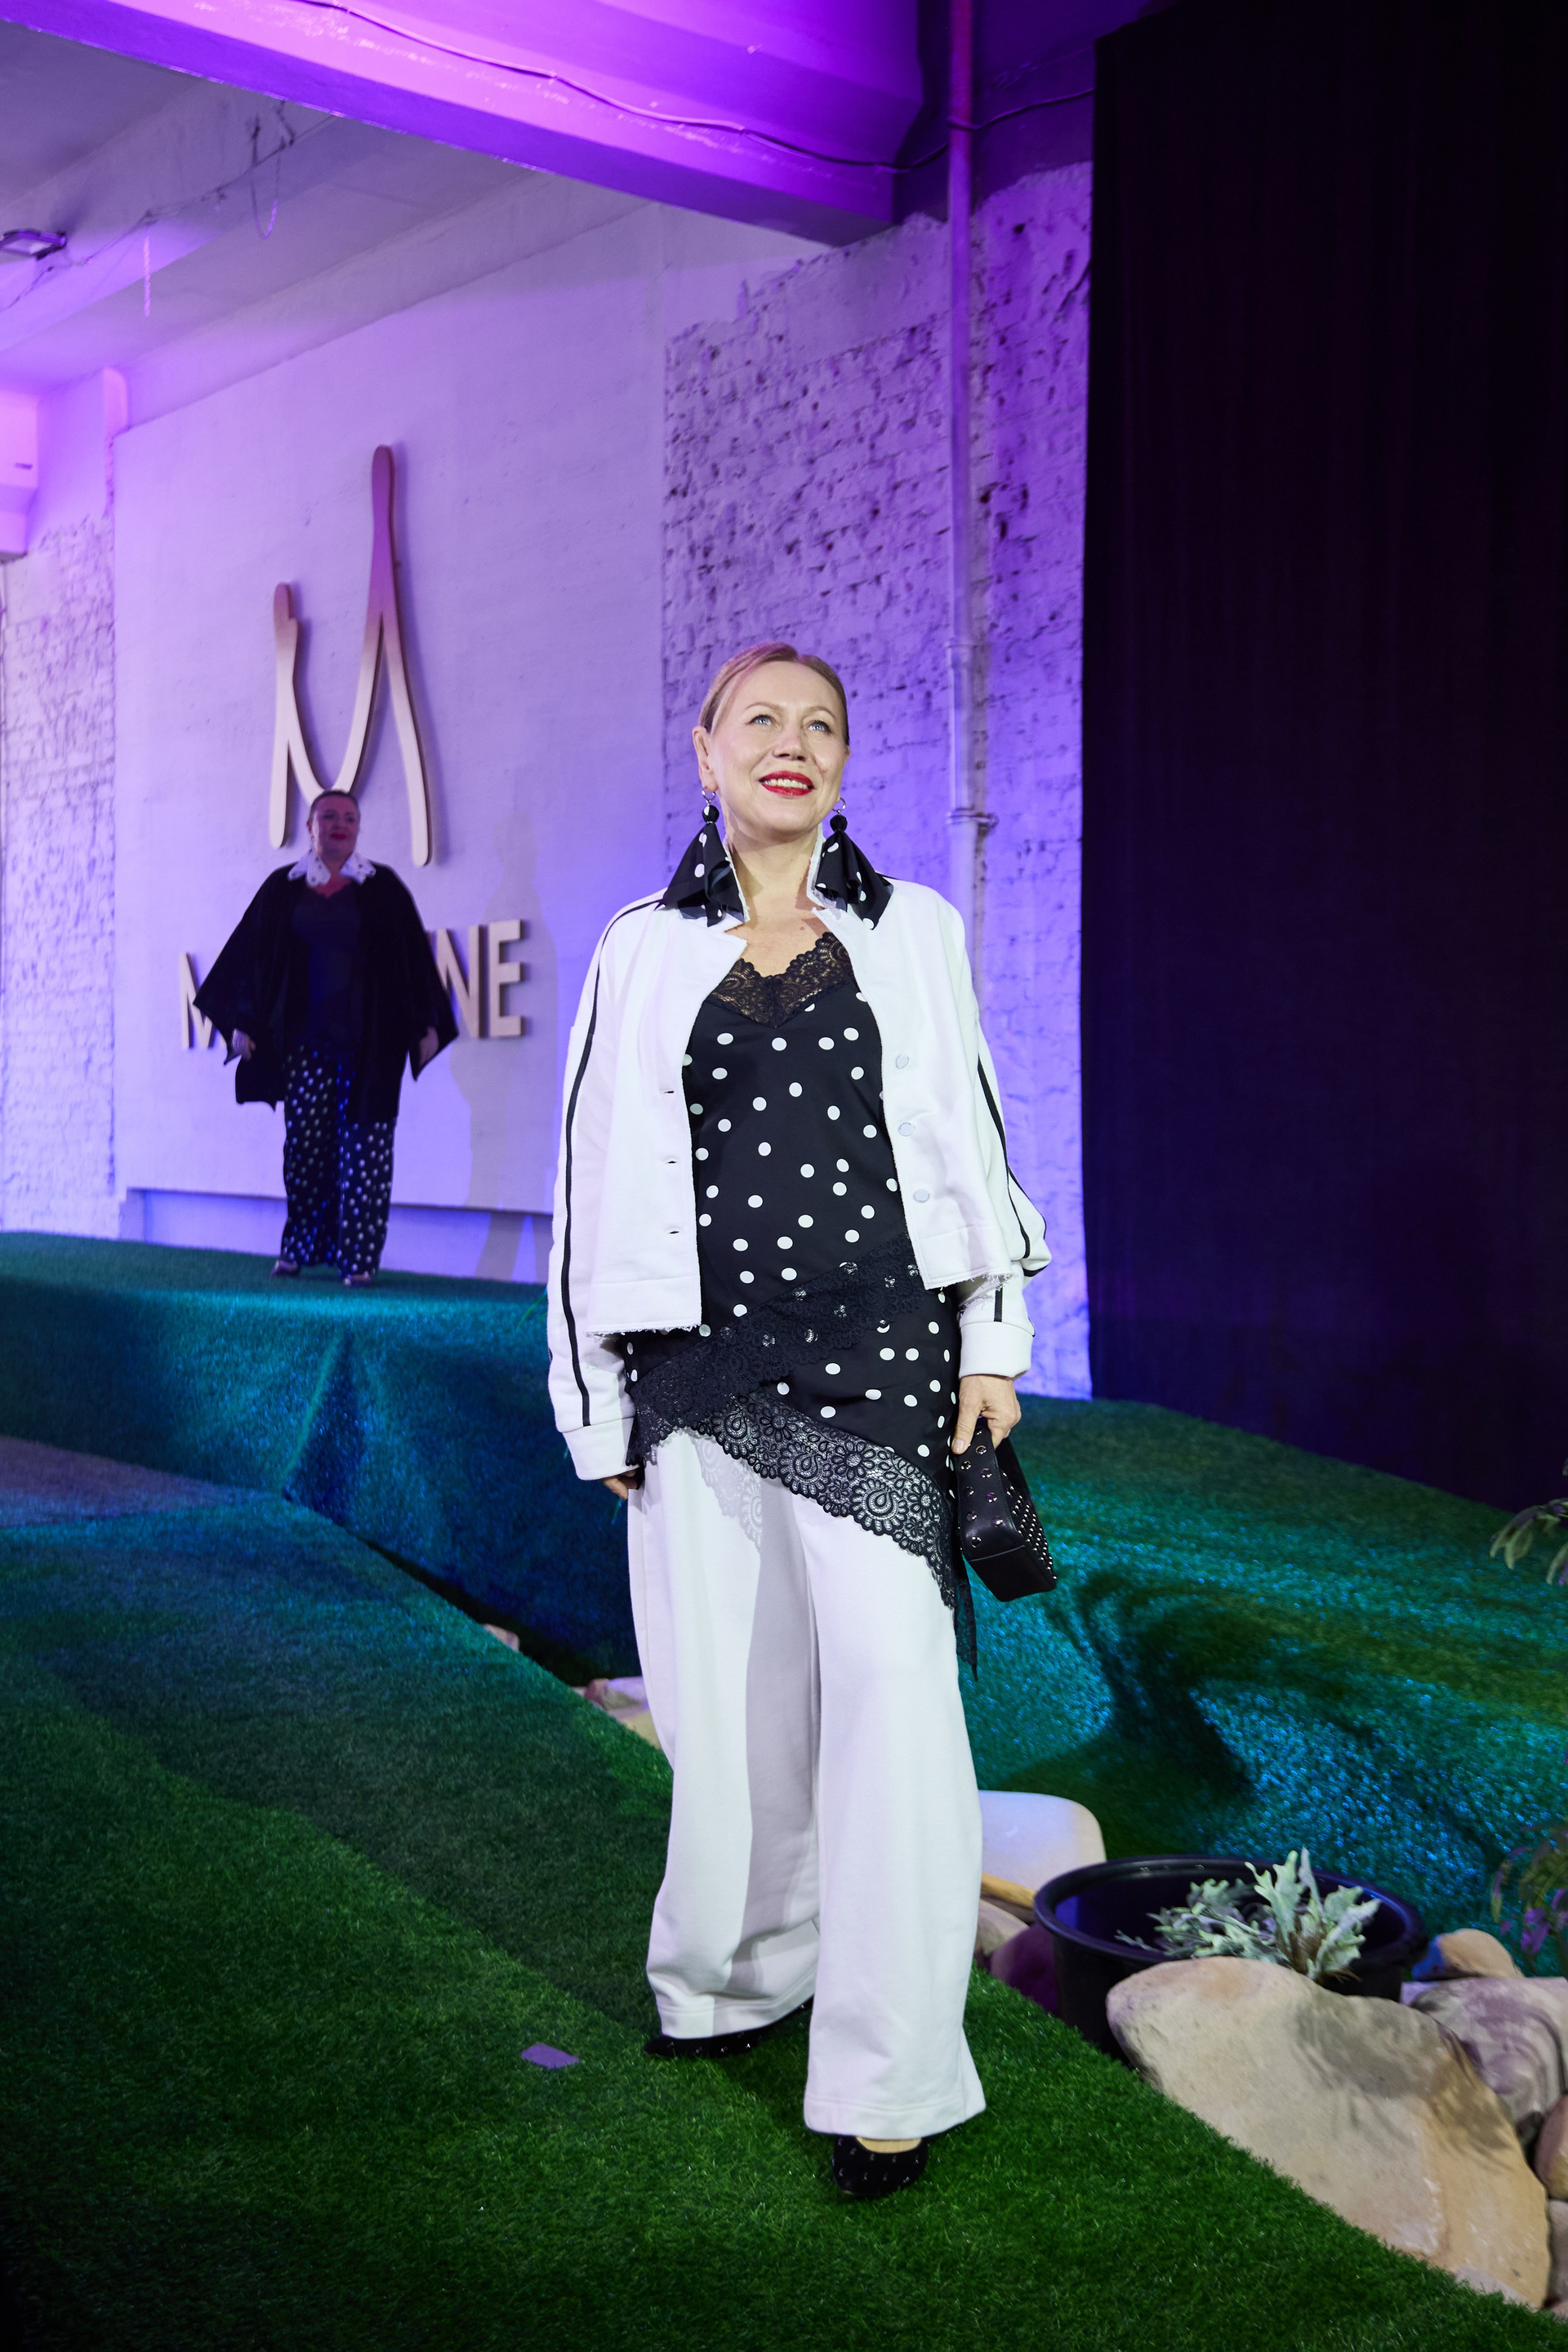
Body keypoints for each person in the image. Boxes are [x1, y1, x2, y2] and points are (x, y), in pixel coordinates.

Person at [546, 642, 1049, 2200]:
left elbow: (973, 1140)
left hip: (883, 1360)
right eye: (760, 718)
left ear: (839, 761)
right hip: (696, 1369)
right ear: (706, 752)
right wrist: (597, 1402)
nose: (793, 740)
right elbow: (587, 1177)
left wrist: (992, 1341)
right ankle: (731, 1982)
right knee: (729, 1709)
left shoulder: (916, 930)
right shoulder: (640, 946)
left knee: (897, 1702)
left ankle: (892, 2077)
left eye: (820, 723)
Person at [195, 789, 457, 1285]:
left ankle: (358, 1261)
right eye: (329, 816)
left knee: (366, 1151)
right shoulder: (283, 888)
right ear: (310, 827)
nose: (340, 824)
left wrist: (426, 1022)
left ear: (358, 828)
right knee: (306, 1152)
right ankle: (298, 1249)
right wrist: (242, 1023)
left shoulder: (383, 888)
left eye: (350, 818)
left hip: (370, 1046)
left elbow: (412, 961)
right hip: (303, 1044)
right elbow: (250, 959)